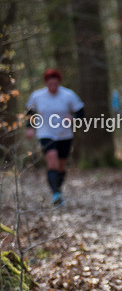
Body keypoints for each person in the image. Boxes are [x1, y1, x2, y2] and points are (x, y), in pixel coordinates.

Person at [25, 69, 84, 206]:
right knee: (52, 162)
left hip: (64, 134)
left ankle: (58, 190)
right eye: (50, 84)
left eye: (55, 83)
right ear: (46, 83)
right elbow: (29, 112)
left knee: (61, 166)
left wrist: (73, 118)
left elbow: (80, 112)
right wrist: (29, 128)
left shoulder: (68, 95)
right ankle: (55, 195)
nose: (53, 86)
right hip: (45, 133)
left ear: (59, 83)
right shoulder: (37, 96)